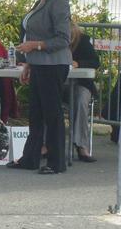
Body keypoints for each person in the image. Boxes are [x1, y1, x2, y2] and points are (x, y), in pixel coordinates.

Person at [8, 0, 72, 174]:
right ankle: (30, 158)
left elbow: (63, 38)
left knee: (52, 114)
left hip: (53, 65)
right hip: (39, 64)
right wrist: (29, 63)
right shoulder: (42, 1)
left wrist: (35, 46)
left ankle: (56, 162)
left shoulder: (59, 2)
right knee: (35, 113)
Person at [42, 22, 100, 162]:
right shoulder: (51, 42)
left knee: (81, 100)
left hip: (80, 83)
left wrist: (78, 63)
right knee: (45, 97)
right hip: (59, 83)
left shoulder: (83, 41)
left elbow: (95, 62)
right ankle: (44, 144)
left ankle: (81, 145)